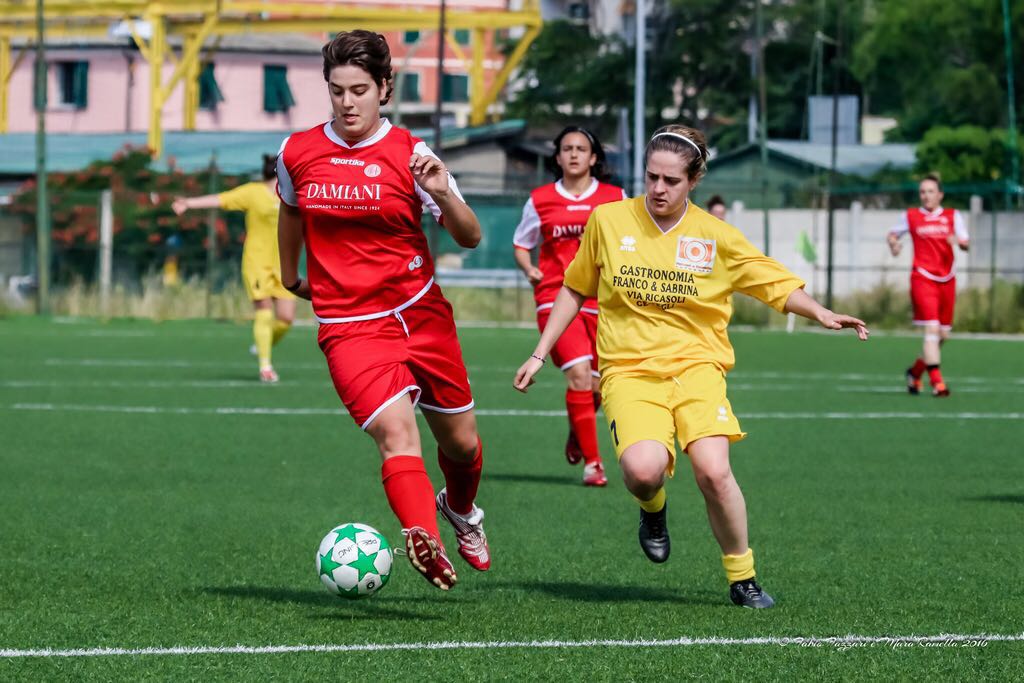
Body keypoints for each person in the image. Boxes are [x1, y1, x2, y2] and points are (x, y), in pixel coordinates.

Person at [514, 124, 869, 608]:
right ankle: (652, 508)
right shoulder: (609, 220)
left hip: (698, 369)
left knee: (713, 471)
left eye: (671, 180)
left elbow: (773, 284)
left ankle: (742, 578)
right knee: (642, 471)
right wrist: (539, 353)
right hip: (630, 370)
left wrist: (821, 312)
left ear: (694, 179)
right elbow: (575, 287)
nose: (658, 189)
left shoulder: (715, 236)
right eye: (652, 177)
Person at [276, 30, 489, 591]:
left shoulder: (414, 156)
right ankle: (426, 540)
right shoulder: (297, 152)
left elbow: (469, 236)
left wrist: (443, 193)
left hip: (421, 315)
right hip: (350, 327)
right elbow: (291, 210)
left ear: (385, 89)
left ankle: (461, 511)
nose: (347, 102)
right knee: (397, 435)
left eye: (360, 90)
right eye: (337, 90)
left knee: (462, 446)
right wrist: (289, 274)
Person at [512, 126, 626, 487]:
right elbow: (521, 243)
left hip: (601, 300)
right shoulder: (541, 199)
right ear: (557, 157)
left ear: (594, 158)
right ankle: (594, 464)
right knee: (577, 374)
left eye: (581, 148)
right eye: (567, 148)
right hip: (554, 297)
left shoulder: (615, 198)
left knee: (595, 385)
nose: (574, 154)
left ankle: (579, 432)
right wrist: (529, 267)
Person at [172, 155, 295, 383]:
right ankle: (265, 367)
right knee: (264, 311)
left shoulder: (292, 194)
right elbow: (221, 199)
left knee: (286, 319)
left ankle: (262, 344)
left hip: (284, 263)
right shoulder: (253, 192)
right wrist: (189, 203)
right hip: (257, 261)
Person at [887, 173, 969, 397]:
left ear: (940, 194)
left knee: (942, 335)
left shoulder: (953, 216)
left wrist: (959, 243)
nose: (926, 196)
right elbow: (893, 235)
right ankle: (938, 383)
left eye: (931, 191)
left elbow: (965, 243)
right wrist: (894, 245)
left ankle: (915, 373)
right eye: (922, 192)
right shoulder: (912, 216)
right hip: (922, 277)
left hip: (947, 279)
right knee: (931, 330)